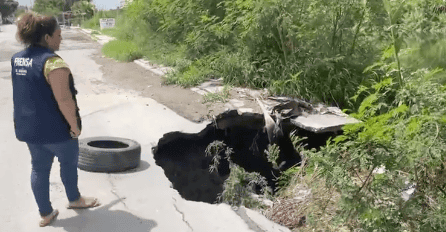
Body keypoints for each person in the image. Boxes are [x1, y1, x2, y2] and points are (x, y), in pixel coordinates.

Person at [11, 13, 100, 227]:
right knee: (68, 164)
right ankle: (75, 199)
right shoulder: (52, 64)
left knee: (39, 168)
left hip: (29, 129)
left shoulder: (17, 59)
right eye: (58, 35)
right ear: (47, 37)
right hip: (56, 130)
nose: (61, 39)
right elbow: (64, 100)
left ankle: (46, 214)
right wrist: (75, 127)